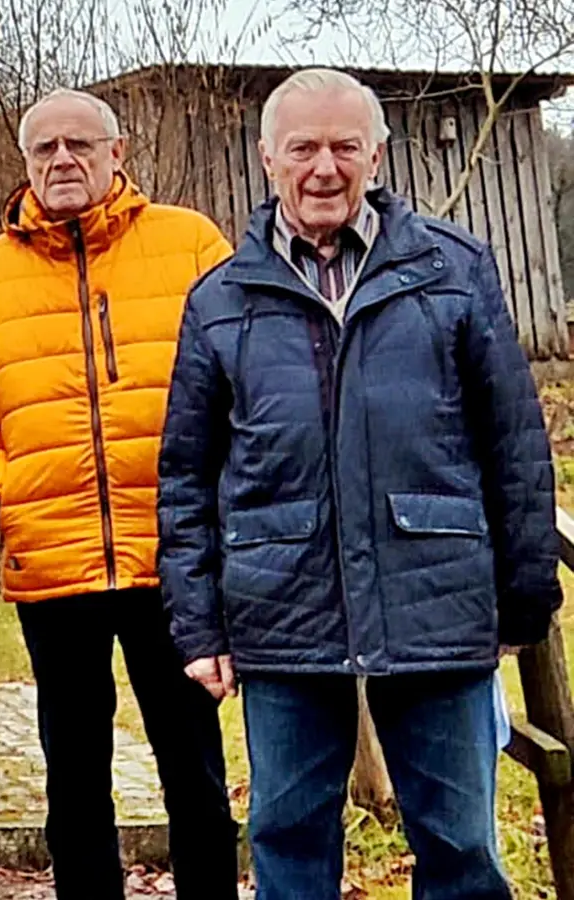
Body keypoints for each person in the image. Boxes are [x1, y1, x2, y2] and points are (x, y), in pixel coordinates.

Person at [158, 68, 560, 900]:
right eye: (303, 148)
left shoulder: (454, 270)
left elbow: (515, 444)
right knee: (288, 843)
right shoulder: (220, 300)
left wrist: (523, 600)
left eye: (345, 146)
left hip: (435, 605)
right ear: (268, 158)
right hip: (283, 612)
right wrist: (199, 626)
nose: (324, 167)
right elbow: (187, 477)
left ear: (377, 154)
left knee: (459, 849)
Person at [0, 88, 239, 899]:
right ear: (27, 164)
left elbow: (244, 382)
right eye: (45, 150)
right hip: (51, 560)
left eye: (79, 144)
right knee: (74, 772)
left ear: (119, 152)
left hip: (171, 556)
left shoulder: (190, 245)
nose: (62, 161)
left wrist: (219, 505)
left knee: (193, 768)